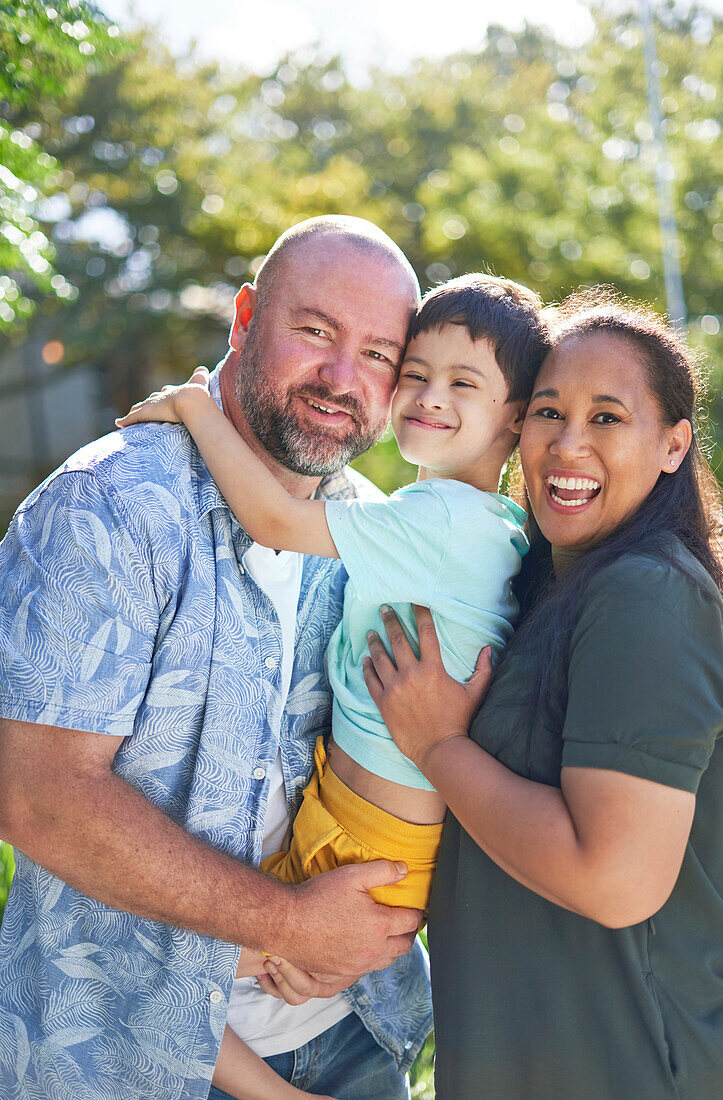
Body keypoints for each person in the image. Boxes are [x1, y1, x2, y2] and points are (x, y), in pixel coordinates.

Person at [0, 216, 433, 1100]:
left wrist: (346, 939)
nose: (342, 379)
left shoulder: (377, 532)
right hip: (121, 1057)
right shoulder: (111, 506)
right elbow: (36, 794)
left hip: (350, 1035)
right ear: (245, 318)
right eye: (315, 331)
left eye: (380, 354)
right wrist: (289, 923)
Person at [117, 272, 551, 1098]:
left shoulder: (441, 523)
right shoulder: (476, 524)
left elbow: (274, 520)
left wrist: (196, 407)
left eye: (464, 384)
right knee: (250, 964)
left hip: (370, 838)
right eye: (414, 373)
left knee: (171, 965)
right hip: (369, 823)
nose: (427, 397)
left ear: (517, 416)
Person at [363, 291, 723, 1098]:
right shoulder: (537, 585)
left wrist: (440, 747)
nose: (568, 446)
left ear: (673, 446)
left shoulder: (649, 595)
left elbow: (615, 878)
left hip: (626, 1067)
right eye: (546, 412)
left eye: (607, 418)